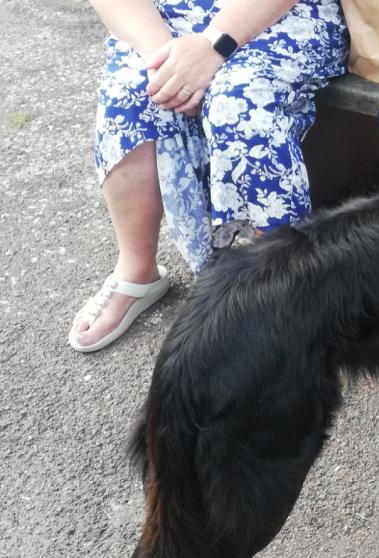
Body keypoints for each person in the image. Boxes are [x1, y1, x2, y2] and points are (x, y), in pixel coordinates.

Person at [68, 0, 347, 352]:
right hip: (170, 15)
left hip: (278, 15)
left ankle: (287, 288)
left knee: (239, 99)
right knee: (131, 89)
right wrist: (168, 61)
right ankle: (137, 272)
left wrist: (214, 44)